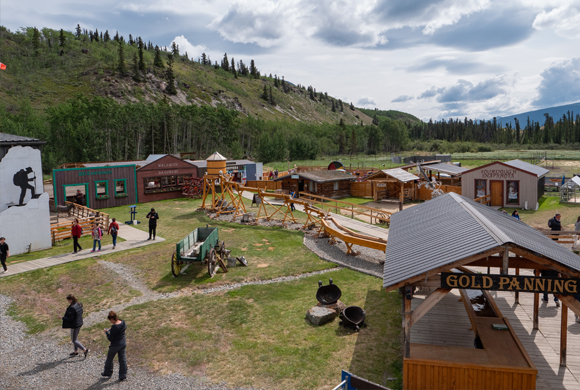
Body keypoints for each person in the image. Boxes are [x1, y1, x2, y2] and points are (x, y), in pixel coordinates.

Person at [61, 294, 89, 358]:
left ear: (70, 300)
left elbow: (70, 319)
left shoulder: (72, 308)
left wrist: (62, 318)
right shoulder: (79, 304)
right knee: (75, 338)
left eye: (68, 300)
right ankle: (75, 352)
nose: (68, 301)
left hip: (75, 325)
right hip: (79, 323)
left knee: (74, 340)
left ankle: (84, 350)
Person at [102, 311, 127, 381]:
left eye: (110, 320)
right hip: (123, 343)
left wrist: (107, 332)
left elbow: (110, 338)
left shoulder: (114, 327)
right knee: (122, 360)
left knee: (109, 359)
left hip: (115, 345)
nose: (110, 322)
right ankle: (123, 375)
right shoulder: (122, 322)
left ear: (112, 319)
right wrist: (111, 330)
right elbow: (124, 327)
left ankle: (107, 372)